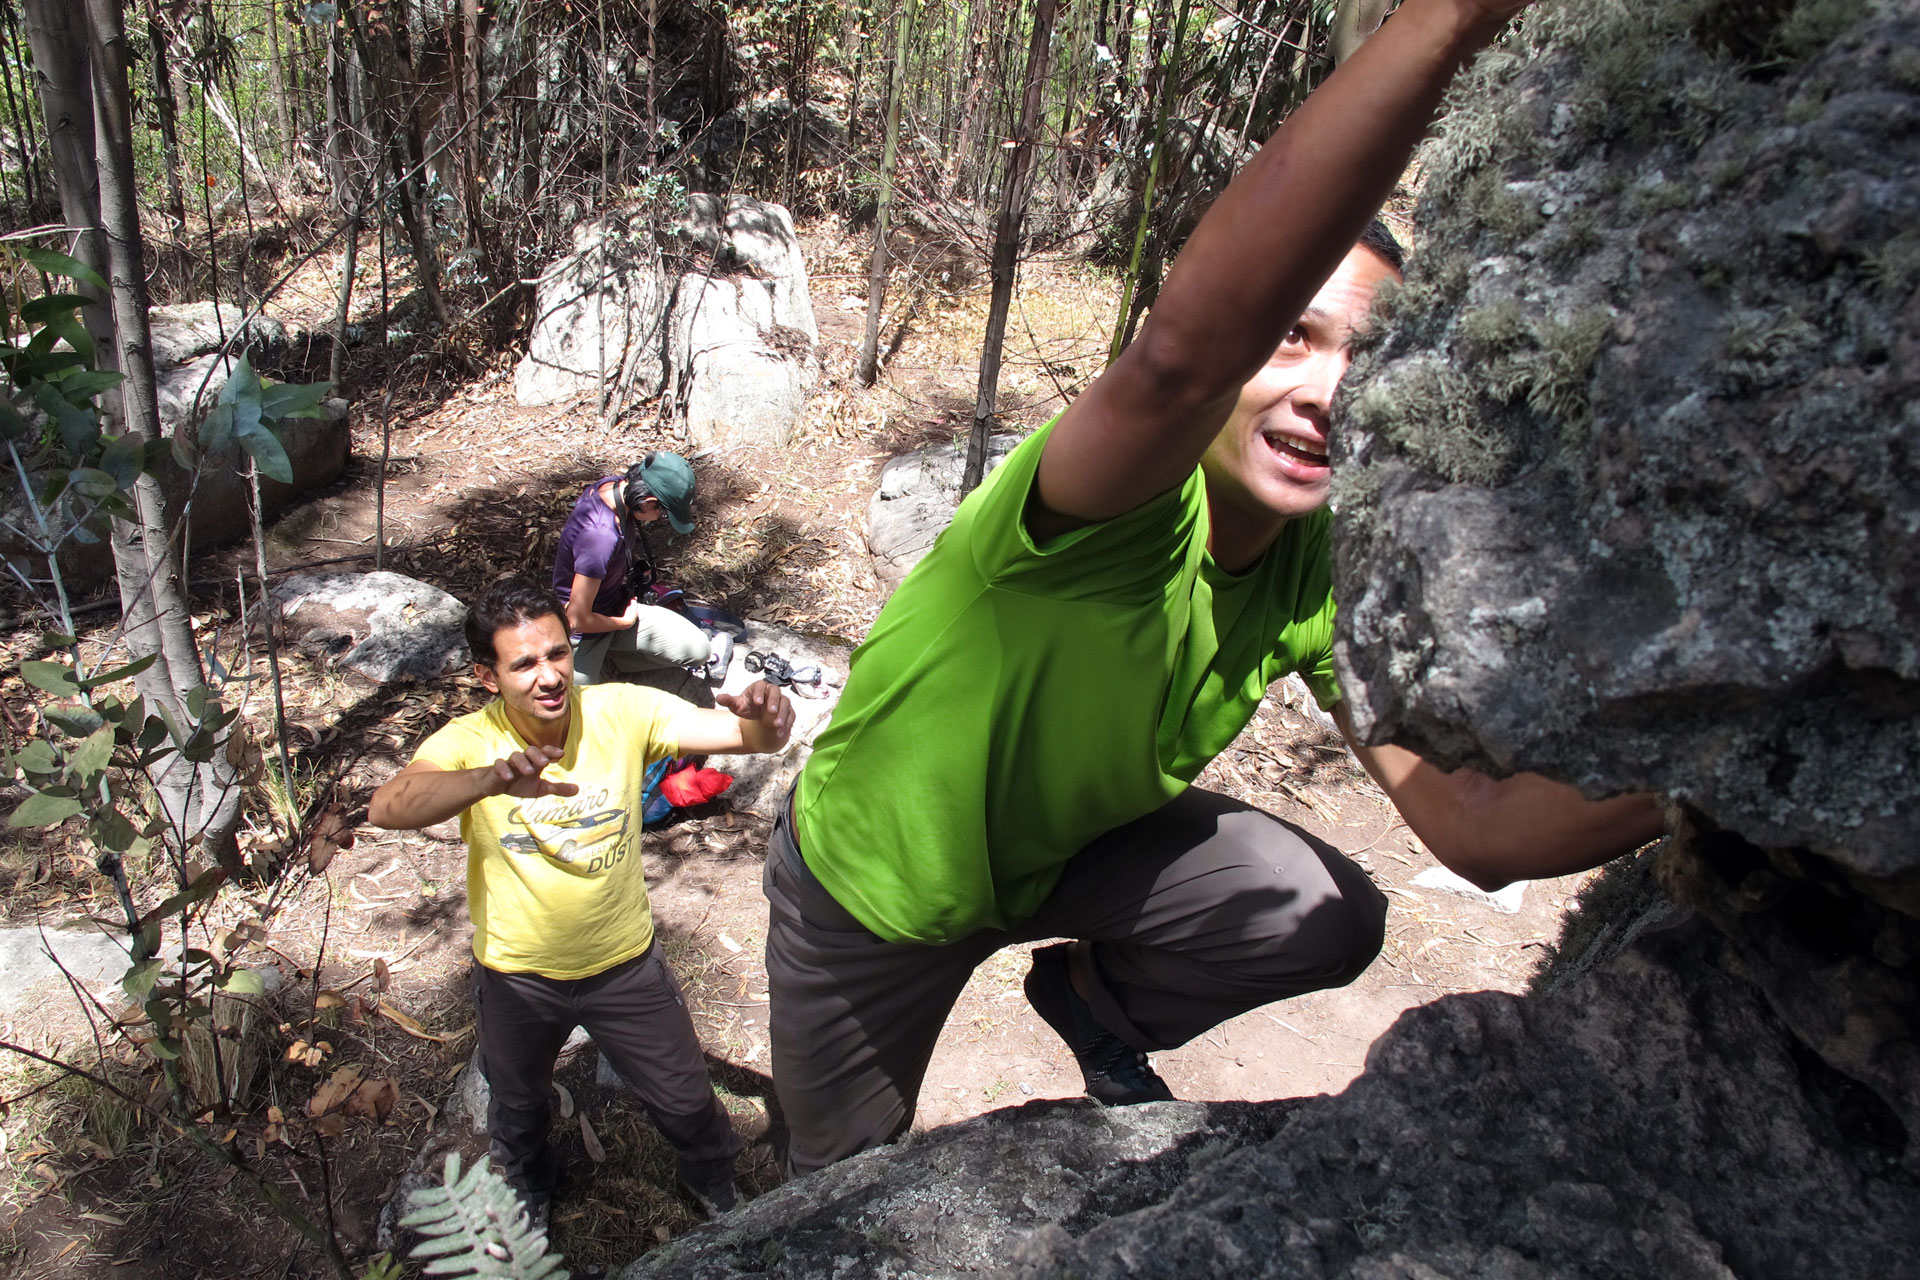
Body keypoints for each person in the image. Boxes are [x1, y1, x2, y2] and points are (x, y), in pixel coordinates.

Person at [766, 0, 1666, 1176]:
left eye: (1364, 359)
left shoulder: (1317, 564)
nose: (1326, 392)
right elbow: (1185, 348)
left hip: (1069, 852)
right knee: (838, 1183)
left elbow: (1478, 828)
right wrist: (1447, 23)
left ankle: (1093, 1002)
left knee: (1324, 907)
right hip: (879, 885)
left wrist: (1736, 771)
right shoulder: (1111, 502)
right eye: (1292, 337)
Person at [368, 580, 795, 1220]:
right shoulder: (466, 743)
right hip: (516, 975)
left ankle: (714, 1180)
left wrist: (766, 717)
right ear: (488, 677)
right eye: (524, 663)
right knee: (516, 1106)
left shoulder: (620, 710)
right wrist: (491, 779)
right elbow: (388, 806)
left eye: (558, 654)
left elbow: (747, 739)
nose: (549, 676)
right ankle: (530, 1193)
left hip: (623, 963)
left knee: (683, 1095)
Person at [552, 450, 731, 685]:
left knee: (698, 651)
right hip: (584, 631)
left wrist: (632, 563)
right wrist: (623, 622)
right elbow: (575, 619)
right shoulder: (600, 536)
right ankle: (602, 661)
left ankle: (611, 660)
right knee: (573, 703)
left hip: (616, 606)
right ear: (647, 502)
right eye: (663, 513)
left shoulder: (615, 487)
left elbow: (609, 553)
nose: (660, 518)